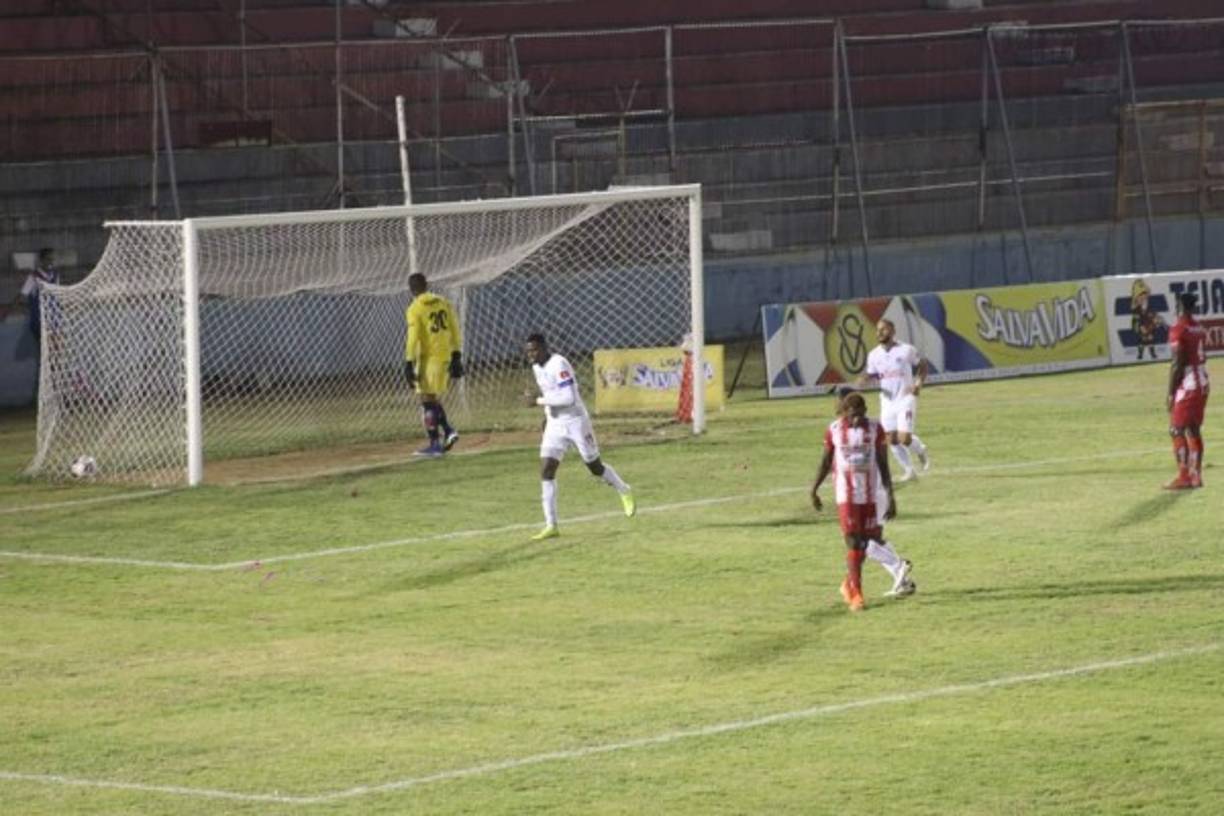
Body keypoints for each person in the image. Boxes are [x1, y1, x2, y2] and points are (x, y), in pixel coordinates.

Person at [524, 332, 635, 540]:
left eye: (534, 350)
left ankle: (624, 489)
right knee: (546, 469)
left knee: (595, 467)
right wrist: (547, 416)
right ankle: (551, 525)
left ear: (545, 347)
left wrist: (539, 402)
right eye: (528, 351)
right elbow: (551, 393)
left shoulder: (559, 364)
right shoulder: (536, 368)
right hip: (556, 424)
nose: (531, 355)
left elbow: (567, 398)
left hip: (576, 422)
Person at [813, 390, 911, 611]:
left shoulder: (876, 429)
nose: (856, 418)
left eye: (859, 414)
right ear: (845, 413)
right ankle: (858, 593)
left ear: (865, 411)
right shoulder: (835, 430)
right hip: (846, 496)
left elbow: (883, 464)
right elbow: (826, 460)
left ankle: (849, 585)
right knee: (854, 542)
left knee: (872, 540)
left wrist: (890, 495)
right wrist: (814, 489)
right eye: (851, 414)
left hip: (870, 495)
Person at [861, 318, 930, 481]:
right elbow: (872, 374)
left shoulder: (906, 350)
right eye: (877, 330)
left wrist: (918, 384)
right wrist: (863, 380)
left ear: (892, 331)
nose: (879, 333)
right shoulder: (873, 355)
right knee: (891, 439)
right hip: (886, 401)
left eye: (883, 329)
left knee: (904, 438)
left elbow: (923, 365)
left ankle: (920, 450)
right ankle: (909, 471)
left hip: (905, 399)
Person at [403, 273, 463, 457]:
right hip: (444, 356)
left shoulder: (415, 308)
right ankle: (448, 430)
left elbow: (413, 338)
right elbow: (454, 327)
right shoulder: (443, 302)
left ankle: (435, 445)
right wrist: (456, 355)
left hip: (428, 359)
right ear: (426, 285)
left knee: (426, 401)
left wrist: (408, 362)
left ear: (411, 289)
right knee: (431, 399)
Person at [1164, 291, 1210, 490]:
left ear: (1180, 306)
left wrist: (1170, 392)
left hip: (1189, 382)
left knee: (1176, 429)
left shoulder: (1178, 329)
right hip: (1203, 380)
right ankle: (1196, 476)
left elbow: (1177, 364)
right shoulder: (1198, 327)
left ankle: (1184, 475)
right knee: (1193, 429)